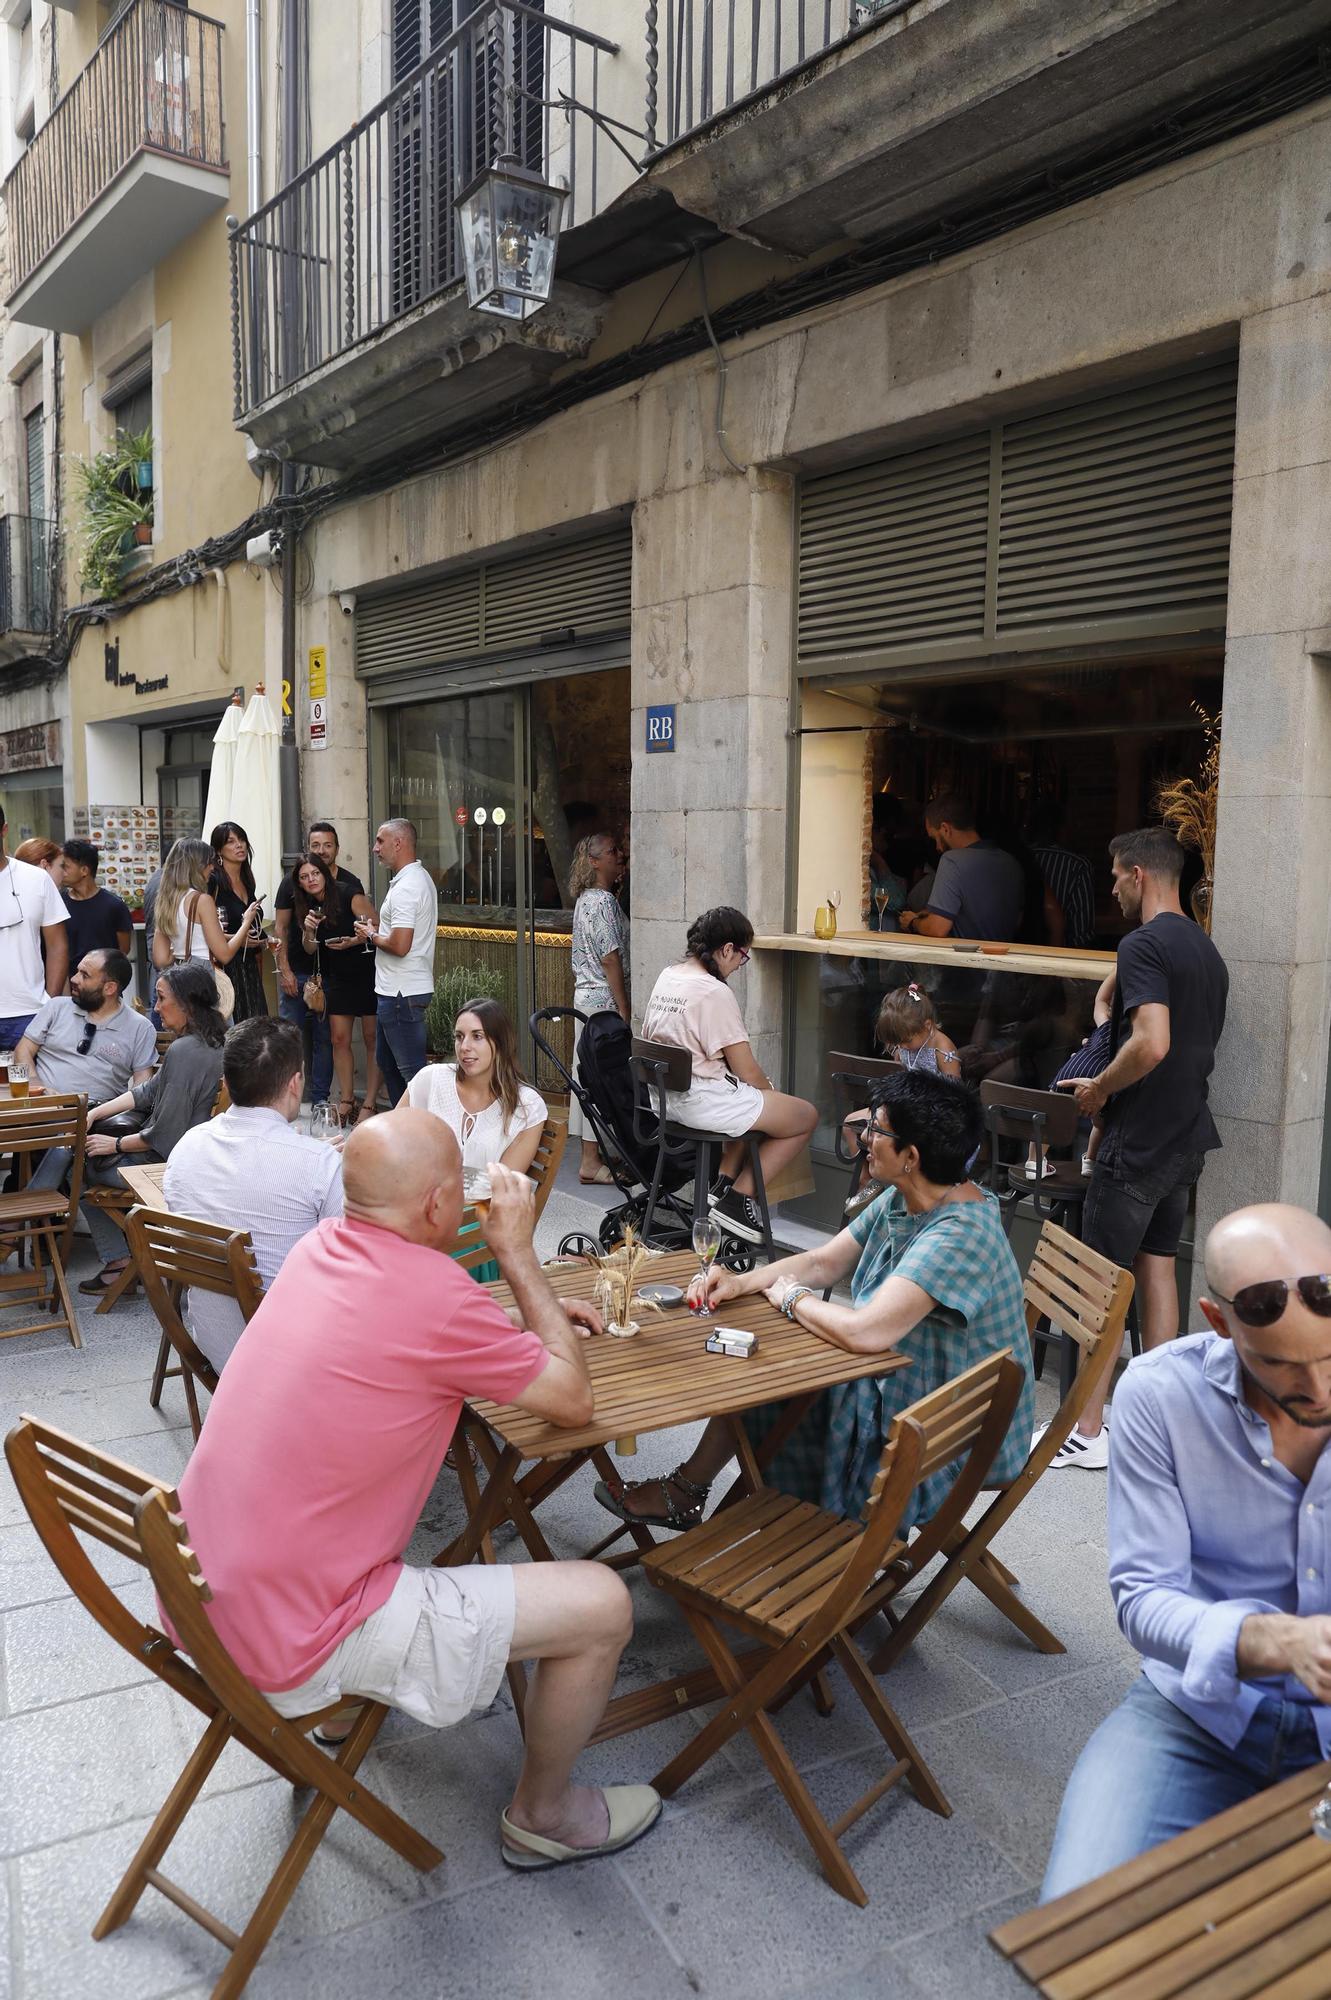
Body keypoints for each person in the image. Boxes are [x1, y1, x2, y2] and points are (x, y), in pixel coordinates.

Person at [169, 1113, 661, 1872]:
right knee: (604, 1604)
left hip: (201, 1601)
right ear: (439, 1206)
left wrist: (521, 1316)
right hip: (293, 1639)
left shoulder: (315, 1250)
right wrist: (518, 1255)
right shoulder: (433, 1295)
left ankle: (340, 1720)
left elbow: (412, 1326)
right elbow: (571, 1399)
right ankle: (544, 1814)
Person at [597, 1067, 1036, 1532]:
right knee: (766, 1366)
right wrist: (742, 1283)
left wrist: (791, 1299)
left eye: (876, 1129)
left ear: (911, 1155)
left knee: (775, 1379)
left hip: (953, 1433)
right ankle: (700, 1497)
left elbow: (867, 1331)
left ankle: (769, 1526)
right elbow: (824, 1262)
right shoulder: (910, 1195)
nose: (863, 1137)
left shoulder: (959, 1234)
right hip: (914, 1388)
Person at [1041, 1202, 1331, 1900]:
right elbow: (1141, 1599)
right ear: (1216, 1321)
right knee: (1081, 1926)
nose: (1318, 1389)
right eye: (1282, 1366)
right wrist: (1277, 1640)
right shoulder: (1158, 1394)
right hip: (1198, 1712)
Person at [1049, 826, 1228, 1469]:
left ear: (1141, 875)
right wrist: (1111, 1013)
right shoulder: (1205, 951)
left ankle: (1089, 1430)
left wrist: (1097, 1088)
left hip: (1140, 1139)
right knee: (1157, 1269)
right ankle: (1155, 1422)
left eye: (1117, 874)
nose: (1114, 886)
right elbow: (1161, 1035)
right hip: (1185, 1136)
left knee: (1099, 1281)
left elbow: (1152, 1043)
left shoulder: (1143, 943)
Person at [164, 1018, 343, 1371]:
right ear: (295, 1083)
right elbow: (349, 1267)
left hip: (217, 1347)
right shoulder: (317, 1164)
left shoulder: (187, 1146)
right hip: (298, 1358)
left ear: (227, 1083)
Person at [641, 906, 818, 1245]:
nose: (739, 966)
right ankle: (738, 1199)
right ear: (726, 949)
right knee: (804, 1115)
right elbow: (746, 1068)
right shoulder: (713, 991)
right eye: (742, 957)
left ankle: (720, 1187)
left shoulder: (668, 975)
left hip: (664, 1100)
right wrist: (771, 1095)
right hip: (702, 1103)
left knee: (749, 1099)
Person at [76, 962, 227, 1295]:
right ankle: (135, 1258)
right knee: (91, 1151)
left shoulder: (184, 1049)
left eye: (161, 998)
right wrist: (95, 1112)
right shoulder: (212, 1039)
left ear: (186, 1004)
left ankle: (122, 1264)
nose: (155, 1008)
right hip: (196, 1159)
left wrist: (112, 1146)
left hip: (173, 1165)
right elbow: (148, 1091)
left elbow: (164, 1135)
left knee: (81, 1166)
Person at [403, 997, 547, 1282]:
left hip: (479, 1219)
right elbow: (390, 1140)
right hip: (422, 1205)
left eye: (477, 1037)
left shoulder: (527, 1106)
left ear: (500, 1042)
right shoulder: (431, 1080)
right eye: (459, 1037)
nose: (464, 1047)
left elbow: (500, 1183)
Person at [293, 847, 383, 1124]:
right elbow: (310, 950)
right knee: (338, 1039)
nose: (311, 880)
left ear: (325, 873)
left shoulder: (348, 893)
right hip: (337, 977)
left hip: (366, 971)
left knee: (371, 1039)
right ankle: (346, 1099)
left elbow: (376, 926)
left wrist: (354, 941)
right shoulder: (307, 906)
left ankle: (369, 1102)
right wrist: (308, 930)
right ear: (299, 882)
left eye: (315, 873)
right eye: (305, 876)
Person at [355, 817, 438, 1106]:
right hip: (396, 991)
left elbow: (400, 945)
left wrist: (371, 934)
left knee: (412, 1074)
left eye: (380, 841)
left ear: (398, 843)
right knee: (389, 1066)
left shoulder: (406, 887)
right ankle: (403, 1132)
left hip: (401, 993)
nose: (375, 848)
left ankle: (426, 1139)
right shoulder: (416, 878)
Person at [14, 949, 157, 1104]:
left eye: (85, 975)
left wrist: (119, 1114)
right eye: (77, 971)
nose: (74, 979)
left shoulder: (140, 1027)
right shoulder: (56, 1007)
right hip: (45, 1107)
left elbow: (142, 1084)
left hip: (100, 1116)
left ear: (110, 988)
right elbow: (23, 1050)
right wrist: (37, 1086)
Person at [568, 832, 630, 1182]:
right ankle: (591, 1160)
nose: (617, 855)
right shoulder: (602, 902)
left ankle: (594, 1156)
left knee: (588, 1076)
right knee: (602, 1079)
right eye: (611, 851)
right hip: (603, 1004)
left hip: (587, 999)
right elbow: (610, 957)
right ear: (593, 861)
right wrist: (624, 1006)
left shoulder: (589, 899)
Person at [897, 794, 1024, 943]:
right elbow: (1016, 920)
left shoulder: (952, 860)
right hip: (1004, 960)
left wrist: (913, 923)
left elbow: (938, 928)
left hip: (964, 962)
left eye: (935, 838)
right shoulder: (1011, 862)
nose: (937, 847)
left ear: (945, 829)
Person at [0, 799, 68, 1050]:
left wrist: (49, 1004)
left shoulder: (36, 879)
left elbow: (57, 945)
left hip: (29, 1012)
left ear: (4, 830)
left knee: (32, 1088)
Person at [153, 838, 260, 994]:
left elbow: (162, 959)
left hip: (177, 978)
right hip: (203, 974)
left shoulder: (167, 900)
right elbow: (225, 954)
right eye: (209, 863)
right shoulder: (201, 900)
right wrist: (246, 921)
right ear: (196, 866)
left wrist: (182, 949)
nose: (212, 867)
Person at [208, 822, 269, 1021]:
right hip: (224, 967)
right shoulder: (213, 881)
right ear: (218, 850)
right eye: (231, 842)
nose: (239, 845)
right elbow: (202, 929)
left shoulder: (248, 880)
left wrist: (266, 940)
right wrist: (238, 937)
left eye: (241, 840)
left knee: (255, 1028)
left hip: (249, 966)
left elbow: (253, 925)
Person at [1028, 803, 1097, 950]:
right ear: (1061, 829)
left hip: (1018, 955)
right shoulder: (1077, 865)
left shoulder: (1020, 858)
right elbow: (1081, 932)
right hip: (1060, 957)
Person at [59, 838, 133, 973]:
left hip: (104, 983)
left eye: (66, 867)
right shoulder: (58, 902)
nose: (61, 871)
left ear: (84, 870)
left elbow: (123, 949)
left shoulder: (114, 906)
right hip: (67, 982)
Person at [875, 981, 960, 1076]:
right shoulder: (902, 1042)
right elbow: (899, 1073)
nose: (901, 1046)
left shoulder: (943, 1049)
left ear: (927, 1026)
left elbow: (953, 1087)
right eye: (897, 1042)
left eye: (907, 1041)